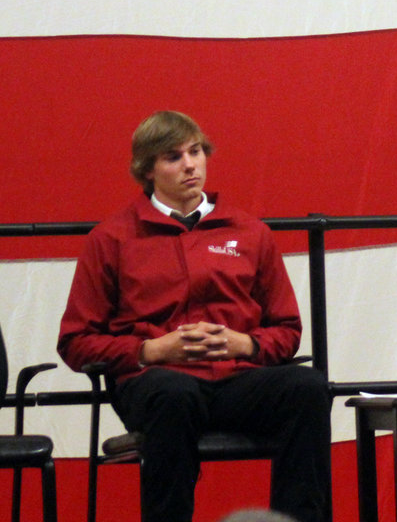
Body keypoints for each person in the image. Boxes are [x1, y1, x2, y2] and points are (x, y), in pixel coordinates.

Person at [58, 111, 331, 522]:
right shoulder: (111, 239)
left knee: (308, 386)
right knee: (174, 394)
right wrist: (149, 350)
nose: (190, 164)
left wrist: (249, 344)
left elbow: (287, 328)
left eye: (196, 151)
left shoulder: (250, 231)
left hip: (238, 379)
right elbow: (76, 341)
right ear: (147, 170)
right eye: (173, 157)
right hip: (156, 385)